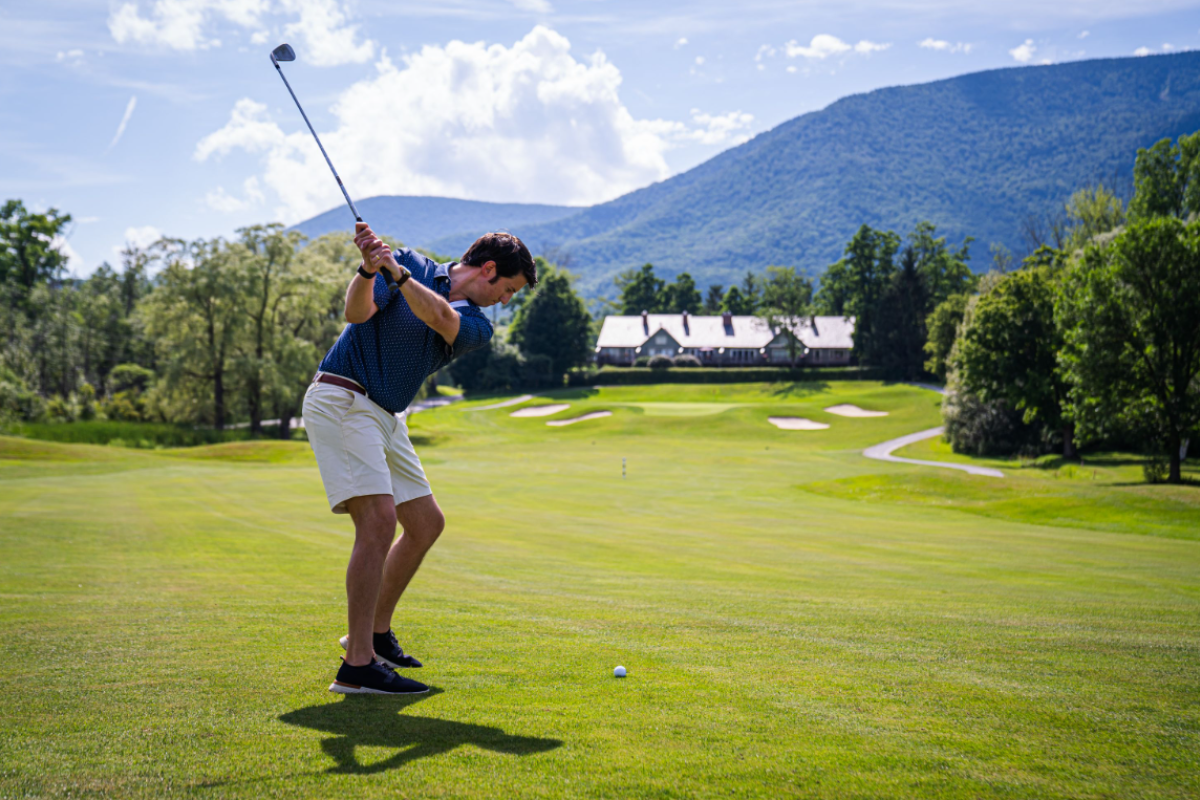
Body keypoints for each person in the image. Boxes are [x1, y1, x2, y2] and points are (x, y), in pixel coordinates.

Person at [303, 222, 537, 695]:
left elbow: (440, 319)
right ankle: (357, 666)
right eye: (508, 289)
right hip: (346, 399)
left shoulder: (477, 324)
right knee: (378, 522)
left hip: (387, 413)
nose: (506, 301)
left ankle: (372, 634)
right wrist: (369, 270)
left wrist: (395, 273)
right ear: (489, 270)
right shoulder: (409, 263)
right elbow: (356, 312)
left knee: (426, 522)